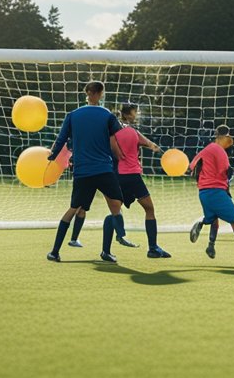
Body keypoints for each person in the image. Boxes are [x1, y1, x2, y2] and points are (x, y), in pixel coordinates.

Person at [46, 81, 126, 264]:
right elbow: (118, 141)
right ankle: (107, 250)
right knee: (116, 206)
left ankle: (54, 252)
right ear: (100, 93)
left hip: (82, 172)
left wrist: (52, 157)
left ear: (88, 93)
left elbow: (61, 139)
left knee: (73, 208)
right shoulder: (107, 116)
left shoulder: (73, 115)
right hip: (104, 170)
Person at [187, 126, 234, 268]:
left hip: (203, 193)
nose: (229, 141)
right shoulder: (219, 151)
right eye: (228, 138)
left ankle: (204, 230)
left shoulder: (205, 150)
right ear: (221, 137)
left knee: (213, 218)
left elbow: (190, 167)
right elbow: (227, 172)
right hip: (216, 192)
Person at [112, 103, 171, 258]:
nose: (136, 115)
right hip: (133, 176)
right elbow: (151, 145)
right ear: (127, 115)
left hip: (118, 176)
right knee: (150, 210)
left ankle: (106, 249)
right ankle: (152, 248)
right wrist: (161, 152)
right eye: (134, 113)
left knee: (115, 211)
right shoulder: (133, 132)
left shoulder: (113, 133)